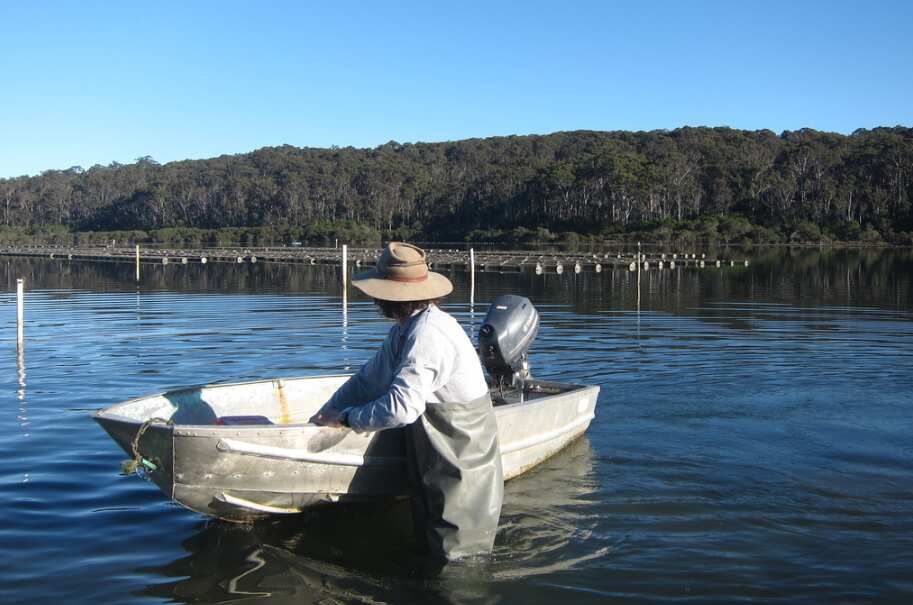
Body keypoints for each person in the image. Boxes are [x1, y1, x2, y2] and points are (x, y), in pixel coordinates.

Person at [310, 242, 503, 561]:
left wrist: (345, 419)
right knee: (431, 540)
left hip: (463, 456)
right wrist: (323, 414)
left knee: (460, 559)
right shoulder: (405, 330)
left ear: (387, 295)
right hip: (435, 454)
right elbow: (367, 381)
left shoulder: (429, 335)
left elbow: (402, 408)